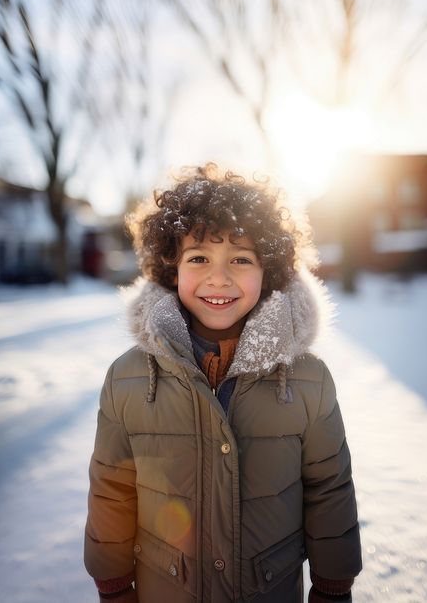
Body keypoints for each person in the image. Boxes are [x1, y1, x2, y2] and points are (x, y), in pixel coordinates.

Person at [84, 164, 361, 602]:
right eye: (198, 258)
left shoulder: (308, 379)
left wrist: (333, 584)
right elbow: (112, 488)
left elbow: (329, 487)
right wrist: (113, 584)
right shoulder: (128, 378)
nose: (219, 277)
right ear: (170, 268)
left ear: (267, 271)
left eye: (240, 259)